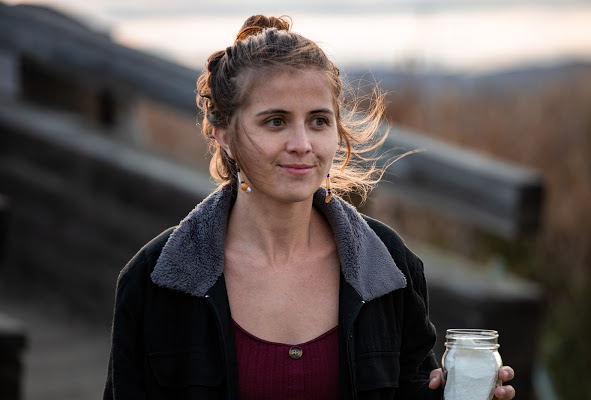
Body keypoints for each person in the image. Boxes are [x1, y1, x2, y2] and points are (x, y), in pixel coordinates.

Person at [103, 14, 515, 400]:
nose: (302, 145)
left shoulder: (390, 267)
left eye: (318, 121)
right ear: (223, 135)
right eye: (275, 121)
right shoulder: (154, 282)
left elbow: (412, 385)